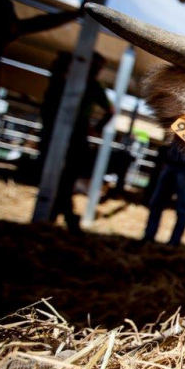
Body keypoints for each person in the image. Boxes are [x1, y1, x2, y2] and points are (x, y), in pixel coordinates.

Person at [0, 0, 86, 197]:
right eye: (10, 23)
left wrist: (76, 13)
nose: (15, 28)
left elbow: (36, 23)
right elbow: (35, 24)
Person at [43, 52, 113, 234]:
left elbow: (111, 111)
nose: (96, 71)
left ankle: (59, 212)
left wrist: (96, 128)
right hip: (62, 130)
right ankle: (64, 213)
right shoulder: (67, 80)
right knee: (60, 175)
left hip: (71, 131)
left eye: (98, 68)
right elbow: (111, 111)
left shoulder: (84, 84)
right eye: (95, 66)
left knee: (66, 176)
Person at [142, 145, 185, 246]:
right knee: (156, 203)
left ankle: (174, 242)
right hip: (171, 164)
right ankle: (149, 236)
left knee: (182, 208)